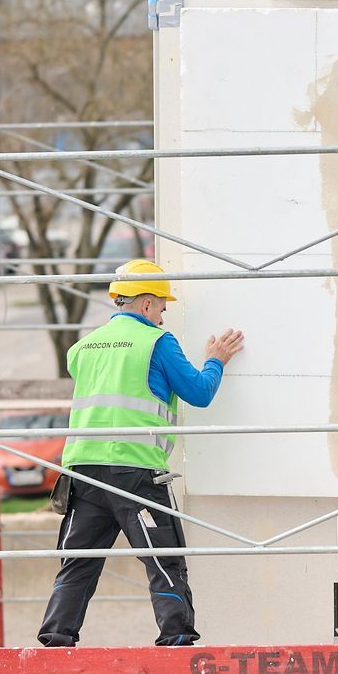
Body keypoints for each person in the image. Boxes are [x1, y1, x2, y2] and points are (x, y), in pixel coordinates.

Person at [36, 258, 244, 648]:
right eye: (163, 309)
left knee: (78, 563)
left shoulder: (82, 347)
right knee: (163, 560)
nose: (163, 318)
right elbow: (199, 393)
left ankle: (56, 640)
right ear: (147, 304)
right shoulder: (156, 342)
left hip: (83, 473)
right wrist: (217, 359)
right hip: (134, 472)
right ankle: (177, 640)